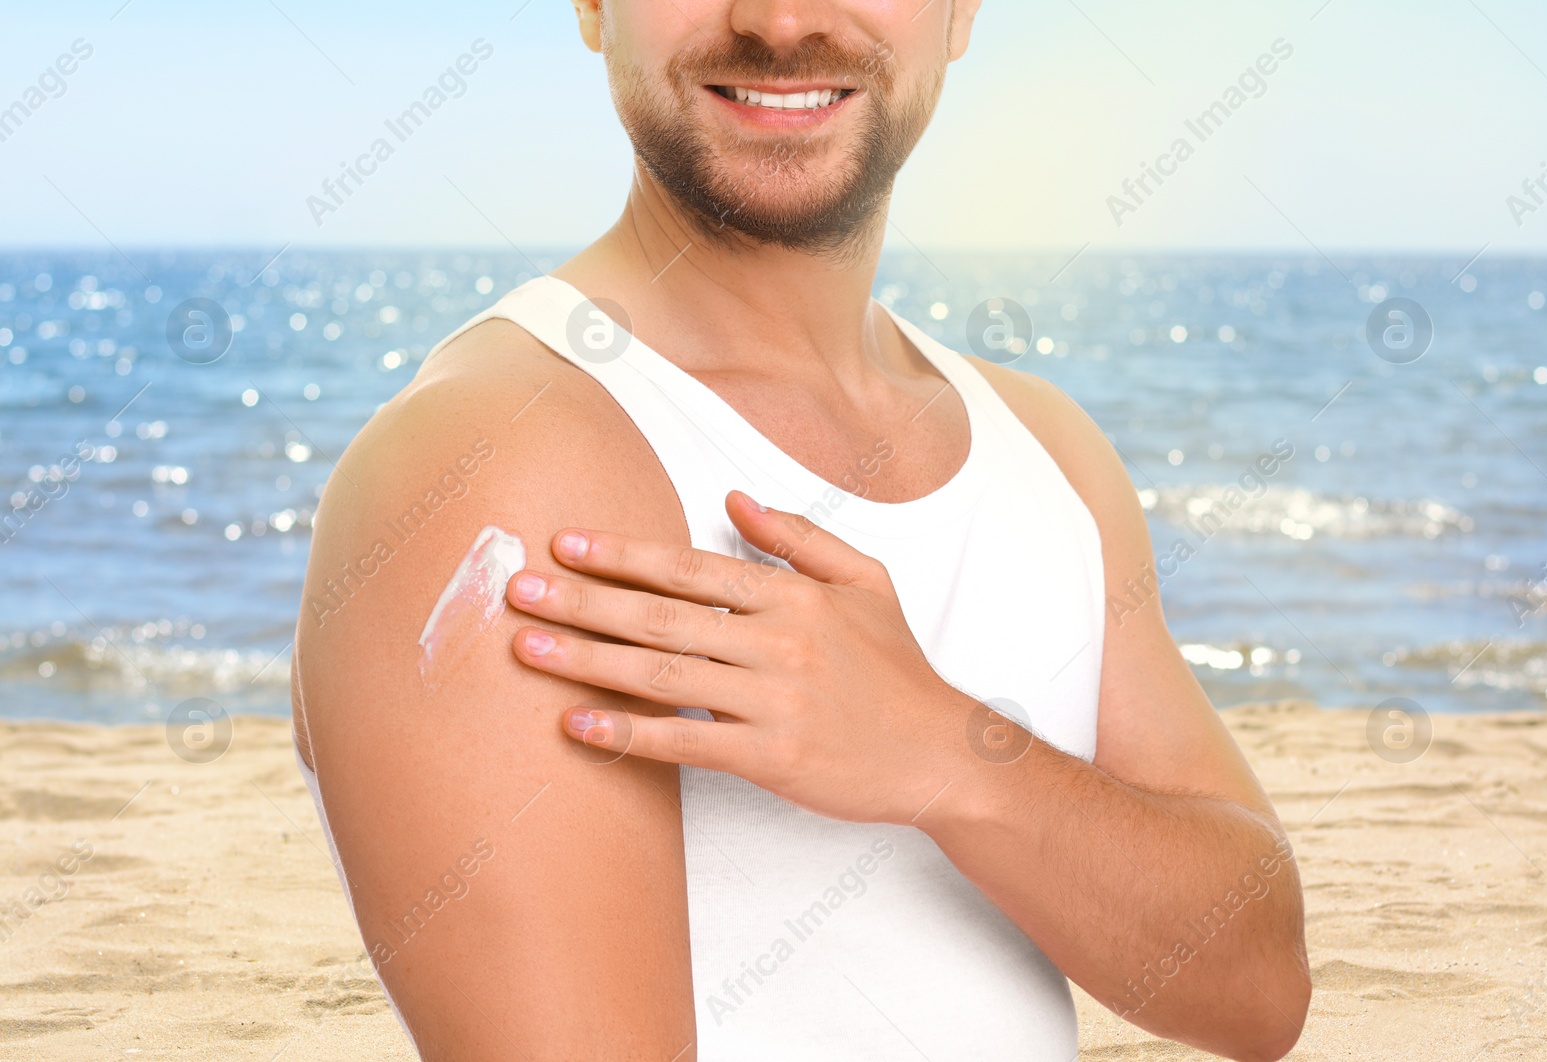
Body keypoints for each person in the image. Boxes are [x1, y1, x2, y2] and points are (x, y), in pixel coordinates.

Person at [291, 1, 1311, 1058]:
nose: (779, 22)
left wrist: (950, 759)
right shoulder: (499, 461)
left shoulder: (1047, 450)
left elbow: (1258, 990)